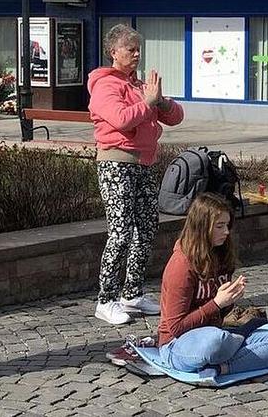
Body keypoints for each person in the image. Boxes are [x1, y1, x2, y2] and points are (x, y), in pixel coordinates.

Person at [88, 24, 184, 325]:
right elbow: (120, 119)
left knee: (146, 227)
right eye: (130, 49)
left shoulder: (139, 85)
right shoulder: (105, 85)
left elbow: (176, 117)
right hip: (116, 163)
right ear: (113, 52)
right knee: (120, 232)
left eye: (138, 49)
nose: (137, 54)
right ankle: (106, 300)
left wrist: (161, 101)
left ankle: (132, 293)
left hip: (143, 163)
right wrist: (147, 103)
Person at [157, 193, 268, 379]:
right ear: (202, 227)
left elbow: (219, 314)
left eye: (227, 225)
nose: (226, 232)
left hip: (218, 334)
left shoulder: (220, 255)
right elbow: (176, 327)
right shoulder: (181, 266)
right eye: (219, 226)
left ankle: (222, 368)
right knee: (215, 343)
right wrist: (217, 303)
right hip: (178, 344)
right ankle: (237, 341)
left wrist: (230, 299)